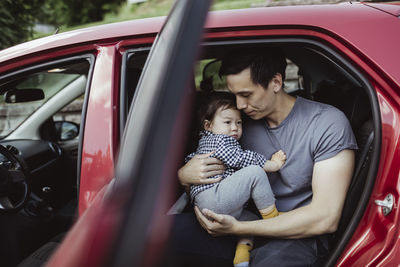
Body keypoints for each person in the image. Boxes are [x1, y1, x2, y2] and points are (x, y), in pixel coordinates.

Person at [172, 47, 357, 266]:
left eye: (246, 95)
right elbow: (214, 173)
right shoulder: (237, 125)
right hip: (242, 219)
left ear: (276, 82)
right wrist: (184, 176)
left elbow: (325, 218)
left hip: (297, 234)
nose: (239, 105)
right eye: (234, 96)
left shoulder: (327, 123)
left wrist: (239, 228)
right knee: (155, 234)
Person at [186, 91, 286, 267]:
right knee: (255, 172)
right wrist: (273, 164)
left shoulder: (206, 142)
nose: (234, 128)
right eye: (227, 122)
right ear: (208, 126)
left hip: (211, 204)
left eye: (239, 122)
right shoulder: (220, 141)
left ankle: (241, 257)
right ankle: (274, 220)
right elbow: (240, 159)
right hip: (214, 197)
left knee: (251, 222)